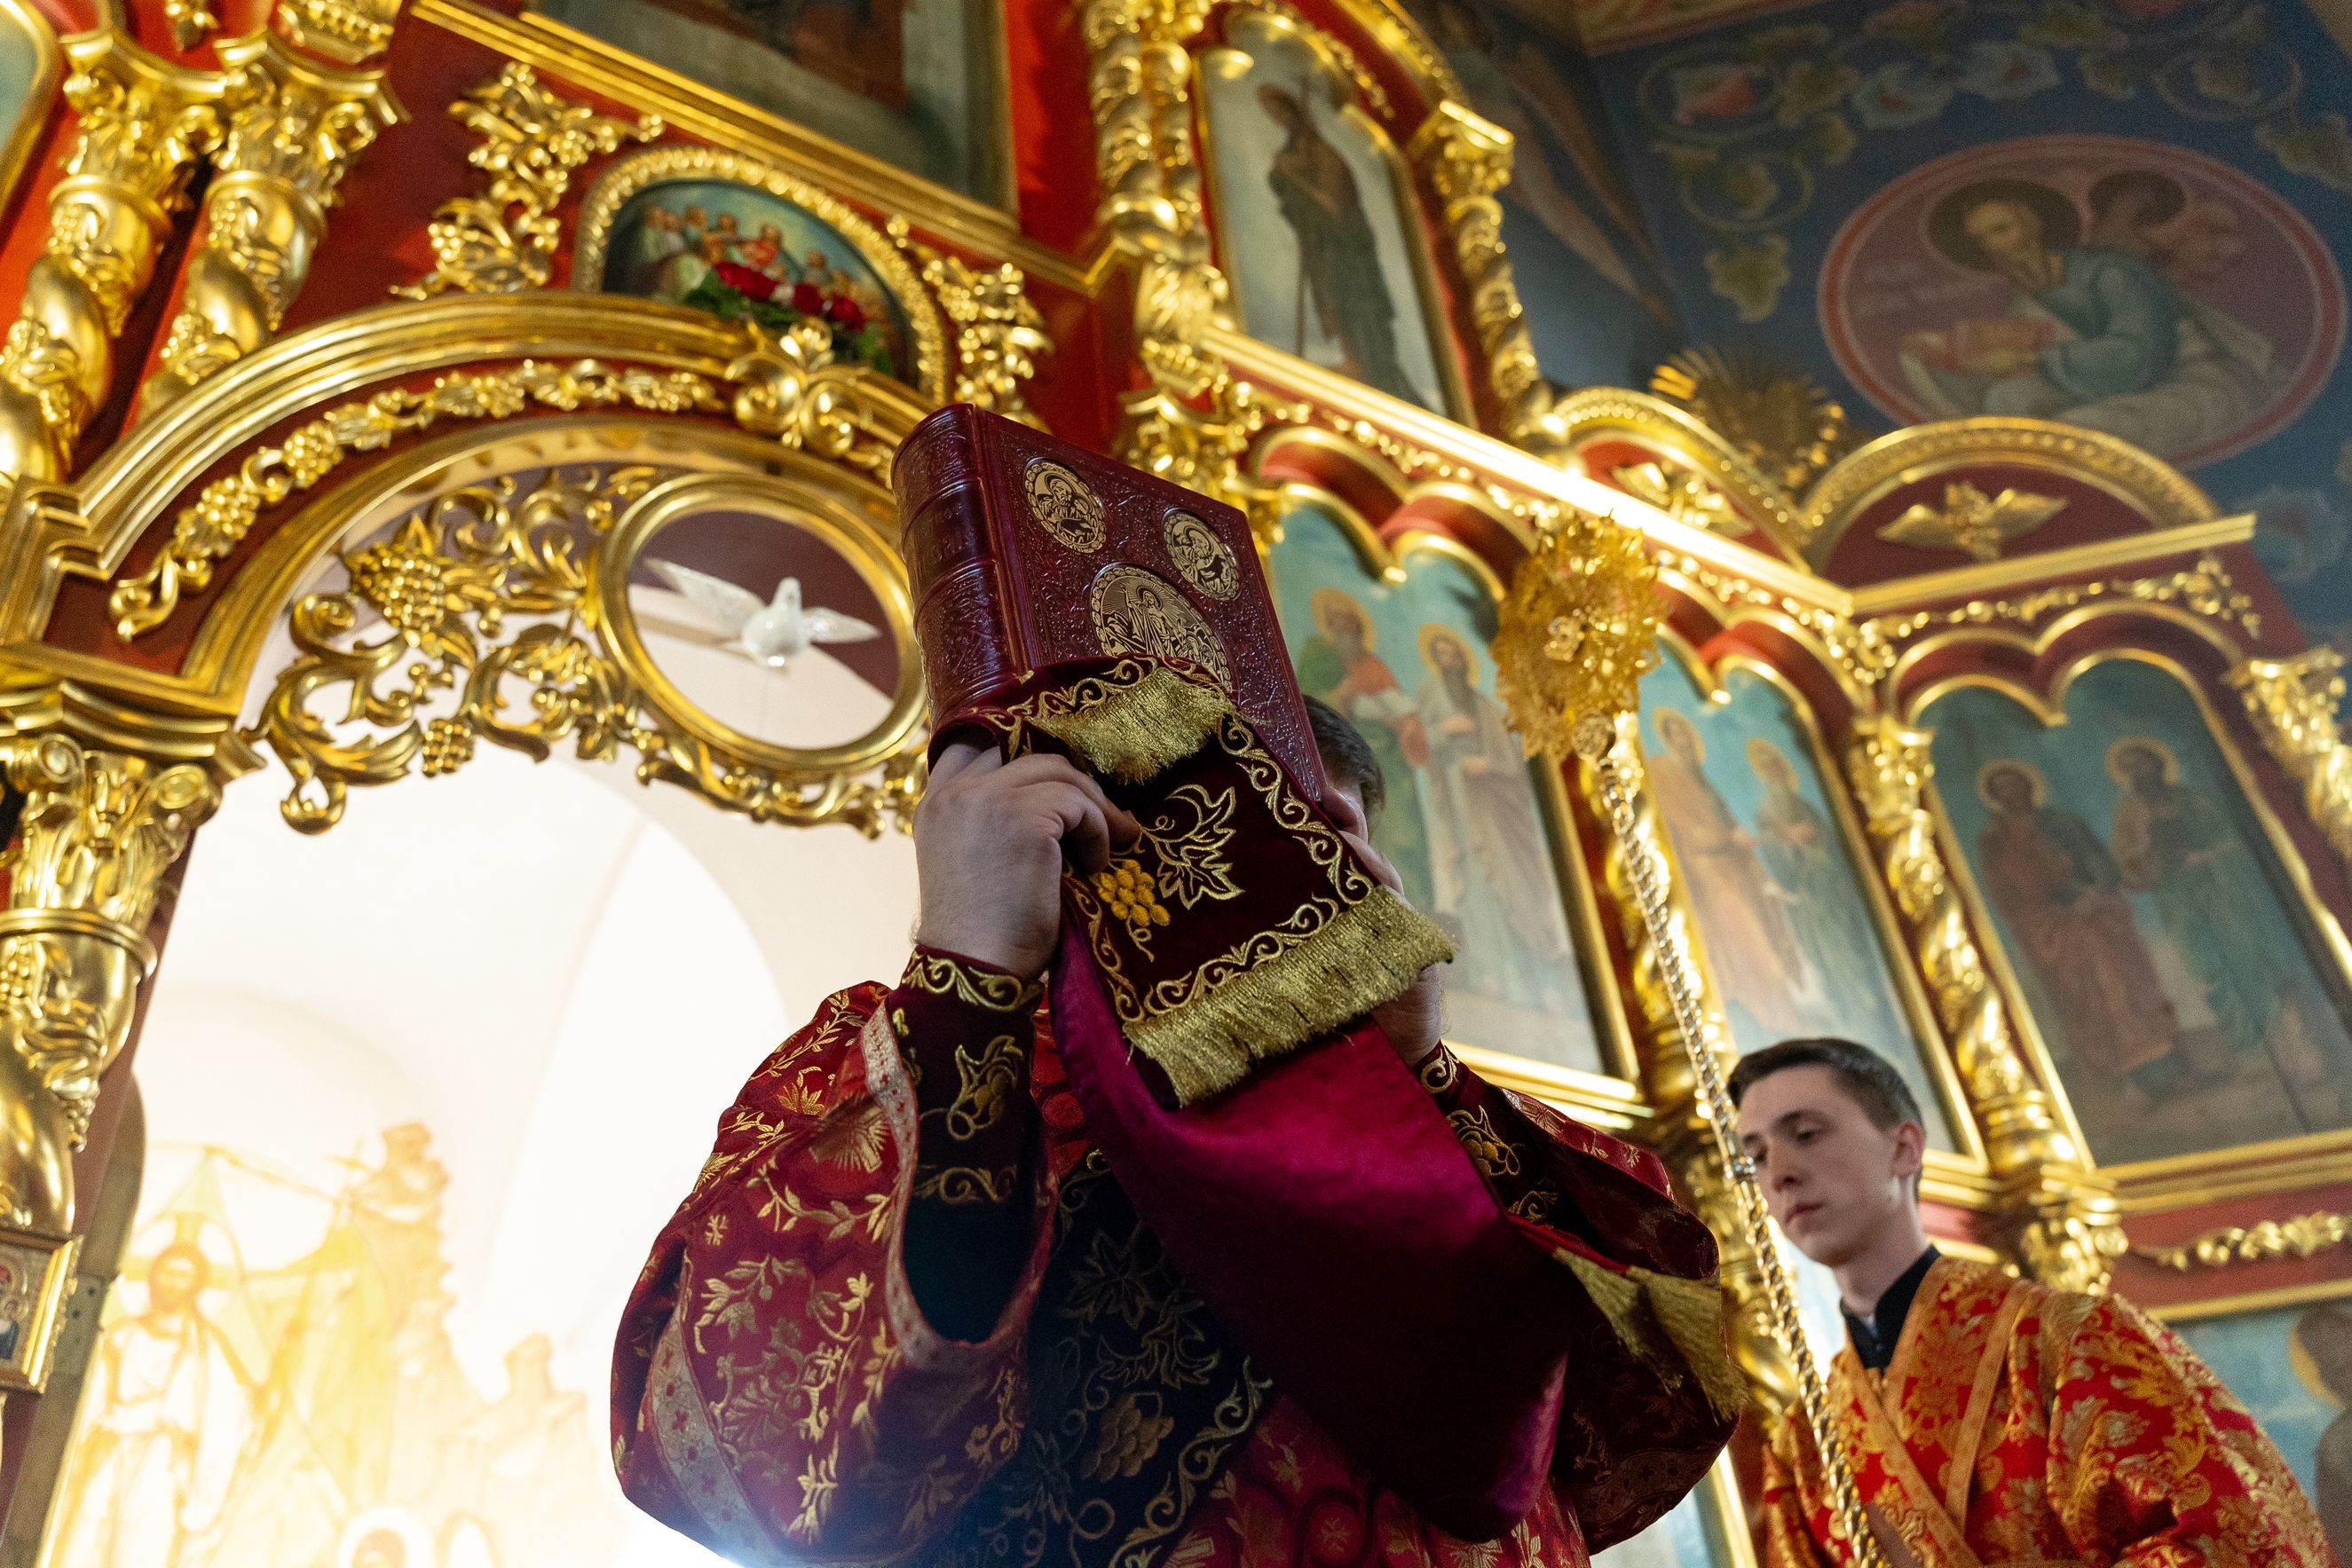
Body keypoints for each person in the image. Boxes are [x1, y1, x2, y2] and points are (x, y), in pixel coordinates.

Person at [612, 696, 1735, 1567]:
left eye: (1322, 837)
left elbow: (1631, 1418)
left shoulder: (1456, 1108)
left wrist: (1420, 1081)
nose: (1274, 873)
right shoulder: (886, 1050)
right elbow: (742, 1445)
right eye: (1235, 821)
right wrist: (968, 978)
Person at [1733, 1036, 2329, 1567]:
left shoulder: (2072, 1339)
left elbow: (2240, 1542)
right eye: (1755, 1156)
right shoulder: (1803, 1448)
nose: (1778, 1173)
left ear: (1904, 1148)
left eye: (1806, 1134)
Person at [1897, 176, 2277, 460]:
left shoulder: (2110, 273)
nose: (1996, 245)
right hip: (2107, 386)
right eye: (1982, 239)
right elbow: (2035, 351)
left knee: (2069, 435)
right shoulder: (2028, 295)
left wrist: (2028, 360)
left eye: (2002, 229)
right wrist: (1946, 354)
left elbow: (2140, 356)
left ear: (2033, 224)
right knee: (2004, 399)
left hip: (2191, 381)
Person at [1973, 757, 2190, 1106]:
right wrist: (2056, 910)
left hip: (2095, 908)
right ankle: (2126, 1080)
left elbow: (2101, 863)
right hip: (2051, 926)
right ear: (1996, 798)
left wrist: (2094, 891)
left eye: (2017, 785)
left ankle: (2167, 1064)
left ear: (2030, 787)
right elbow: (2008, 894)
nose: (2013, 793)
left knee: (2132, 981)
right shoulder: (1994, 841)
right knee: (2090, 993)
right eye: (2004, 789)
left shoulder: (2062, 823)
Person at [1410, 625, 1579, 1023]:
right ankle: (1491, 974)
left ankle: (1539, 985)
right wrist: (1444, 735)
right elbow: (1416, 745)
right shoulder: (1430, 699)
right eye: (1441, 656)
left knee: (1515, 887)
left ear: (1464, 661)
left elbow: (1515, 766)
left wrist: (1489, 764)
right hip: (1461, 813)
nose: (1449, 662)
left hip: (1498, 813)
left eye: (1454, 654)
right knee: (1478, 886)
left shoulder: (1486, 709)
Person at [53, 1241, 257, 1568]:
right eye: (167, 1273)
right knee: (85, 1543)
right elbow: (89, 1406)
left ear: (196, 1284)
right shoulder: (121, 1338)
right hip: (109, 1458)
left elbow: (222, 1426)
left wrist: (201, 1499)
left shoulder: (206, 1351)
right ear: (152, 1277)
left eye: (183, 1275)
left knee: (143, 1550)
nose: (173, 1283)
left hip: (161, 1467)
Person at [1642, 707, 1810, 1037]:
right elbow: (1689, 832)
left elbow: (1733, 827)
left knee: (1762, 946)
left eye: (1687, 733)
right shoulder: (1663, 771)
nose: (1685, 741)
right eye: (1676, 734)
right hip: (1709, 877)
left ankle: (1783, 1024)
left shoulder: (1702, 781)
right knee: (1749, 948)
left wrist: (1758, 868)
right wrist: (1728, 837)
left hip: (1736, 874)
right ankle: (1764, 1024)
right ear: (1667, 739)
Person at [1256, 84, 1421, 406]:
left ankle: (1365, 363)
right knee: (1330, 299)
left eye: (1282, 112)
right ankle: (1352, 358)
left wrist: (1295, 177)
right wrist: (1286, 175)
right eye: (1273, 115)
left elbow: (1333, 205)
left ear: (1295, 113)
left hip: (1348, 248)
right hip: (1323, 244)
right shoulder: (1297, 153)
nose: (1279, 120)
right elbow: (1289, 195)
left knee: (1350, 300)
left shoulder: (1323, 155)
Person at [1294, 589, 1433, 911]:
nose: (1333, 848)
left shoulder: (1374, 665)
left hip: (1389, 753)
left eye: (1338, 824)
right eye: (1317, 813)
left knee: (1406, 833)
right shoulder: (1318, 652)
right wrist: (1342, 695)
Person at [2295, 1304, 2352, 1563]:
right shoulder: (2335, 1447)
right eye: (2330, 1367)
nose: (2342, 1376)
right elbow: (2340, 1539)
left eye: (2347, 1362)